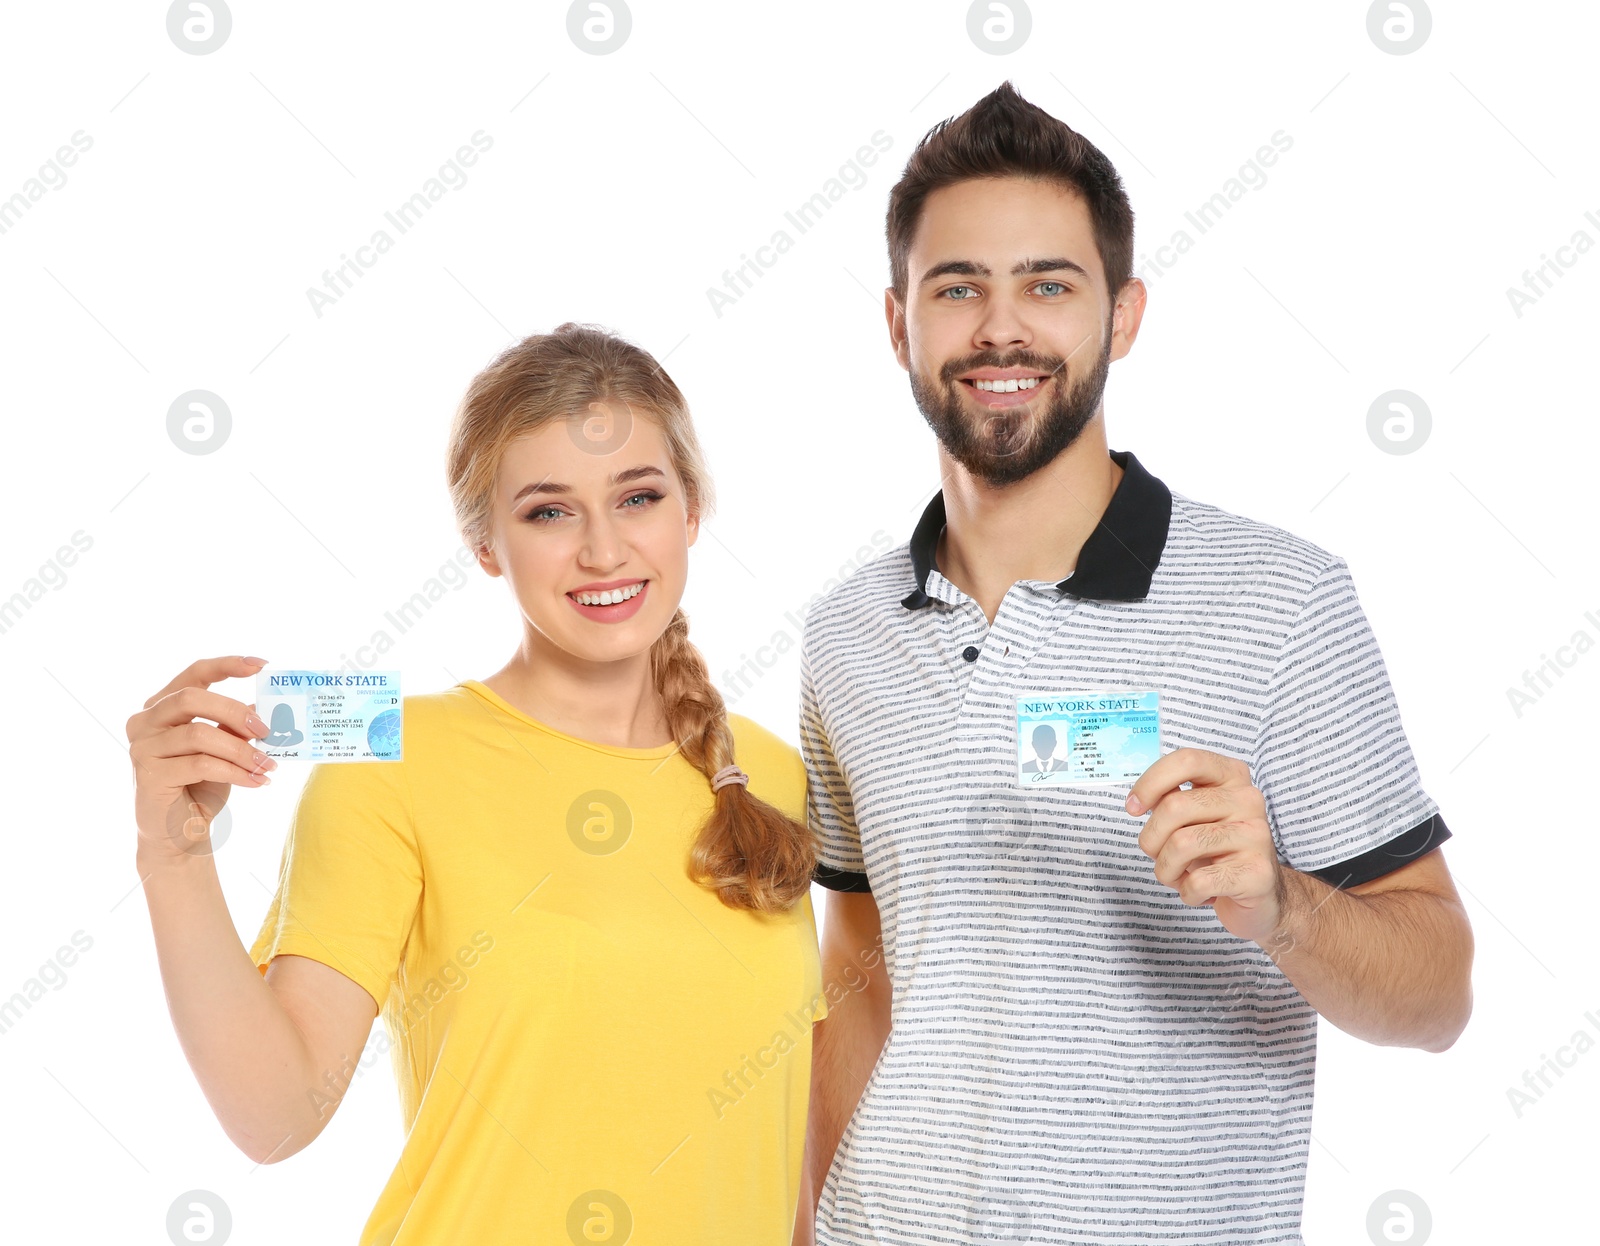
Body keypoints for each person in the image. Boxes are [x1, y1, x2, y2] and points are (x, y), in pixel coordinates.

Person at [795, 83, 1474, 1246]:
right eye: (958, 287)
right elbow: (859, 961)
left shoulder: (1281, 599)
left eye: (1047, 285)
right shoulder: (846, 630)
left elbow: (1439, 997)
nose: (1000, 330)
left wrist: (1281, 906)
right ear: (899, 322)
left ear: (1122, 315)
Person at [128, 323, 827, 1244]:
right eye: (549, 511)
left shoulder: (771, 774)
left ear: (690, 511)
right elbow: (275, 1116)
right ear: (486, 543)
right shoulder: (399, 764)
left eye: (639, 498)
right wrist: (173, 858)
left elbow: (788, 1150)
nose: (605, 550)